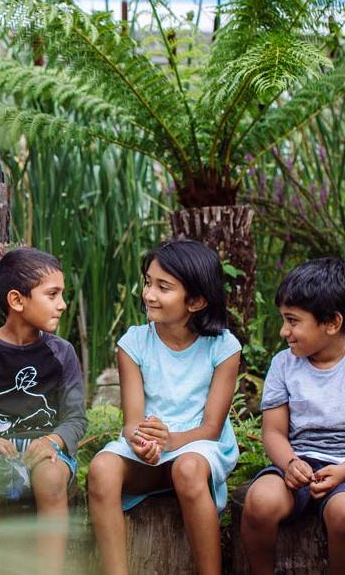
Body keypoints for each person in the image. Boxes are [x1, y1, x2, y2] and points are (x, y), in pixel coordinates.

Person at [87, 239, 241, 575]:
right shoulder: (134, 343)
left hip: (198, 449)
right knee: (102, 470)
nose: (148, 294)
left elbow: (211, 429)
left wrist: (171, 441)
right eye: (147, 282)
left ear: (197, 300)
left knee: (186, 469)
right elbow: (132, 423)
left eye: (163, 287)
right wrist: (142, 442)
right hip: (151, 454)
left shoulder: (224, 347)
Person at [240, 257, 345, 575]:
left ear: (332, 323)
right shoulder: (284, 365)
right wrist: (289, 463)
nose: (284, 331)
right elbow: (274, 432)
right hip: (297, 464)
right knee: (259, 502)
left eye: (293, 321)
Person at [0, 247, 87, 575]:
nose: (62, 304)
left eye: (61, 295)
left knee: (51, 479)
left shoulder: (61, 353)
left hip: (46, 451)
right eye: (52, 295)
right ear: (17, 300)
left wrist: (53, 440)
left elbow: (76, 417)